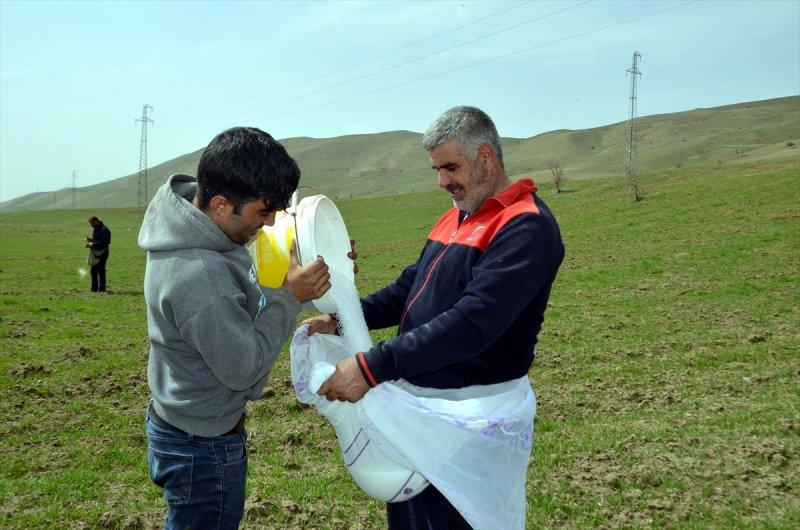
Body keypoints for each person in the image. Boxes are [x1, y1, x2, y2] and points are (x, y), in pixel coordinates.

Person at [308, 106, 565, 529]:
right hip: (424, 413)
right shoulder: (458, 215)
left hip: (470, 420)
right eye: (436, 169)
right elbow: (408, 289)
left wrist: (371, 367)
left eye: (450, 167)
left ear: (486, 158)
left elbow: (471, 326)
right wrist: (341, 319)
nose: (442, 181)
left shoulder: (525, 228)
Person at [138, 127, 336, 529]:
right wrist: (289, 297)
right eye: (262, 213)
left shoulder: (197, 223)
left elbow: (246, 298)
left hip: (183, 425)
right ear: (221, 203)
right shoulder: (199, 276)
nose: (268, 224)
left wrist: (313, 274)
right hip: (202, 447)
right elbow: (244, 371)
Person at [86, 216, 111, 292]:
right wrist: (91, 240)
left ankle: (101, 289)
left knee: (101, 271)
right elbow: (98, 239)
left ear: (96, 221)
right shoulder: (96, 229)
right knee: (94, 271)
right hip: (96, 252)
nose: (91, 226)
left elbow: (105, 242)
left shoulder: (104, 230)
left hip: (102, 253)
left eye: (92, 224)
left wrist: (93, 245)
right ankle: (95, 289)